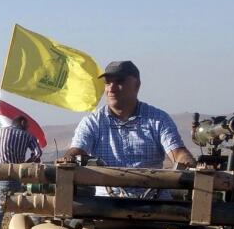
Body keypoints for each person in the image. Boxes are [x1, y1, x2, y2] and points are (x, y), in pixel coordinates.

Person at [60, 60, 195, 196]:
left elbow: (177, 152)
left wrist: (188, 163)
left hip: (155, 205)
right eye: (107, 83)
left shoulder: (158, 119)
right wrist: (69, 158)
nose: (111, 88)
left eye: (119, 82)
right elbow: (78, 150)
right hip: (104, 207)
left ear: (137, 85)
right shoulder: (92, 122)